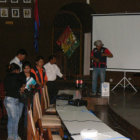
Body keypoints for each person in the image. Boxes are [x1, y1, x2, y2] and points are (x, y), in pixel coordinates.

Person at [4, 63, 25, 140]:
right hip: (13, 100)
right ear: (16, 70)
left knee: (10, 118)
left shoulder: (6, 77)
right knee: (16, 119)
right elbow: (22, 86)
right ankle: (16, 137)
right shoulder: (17, 76)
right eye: (19, 70)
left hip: (7, 100)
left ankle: (10, 136)